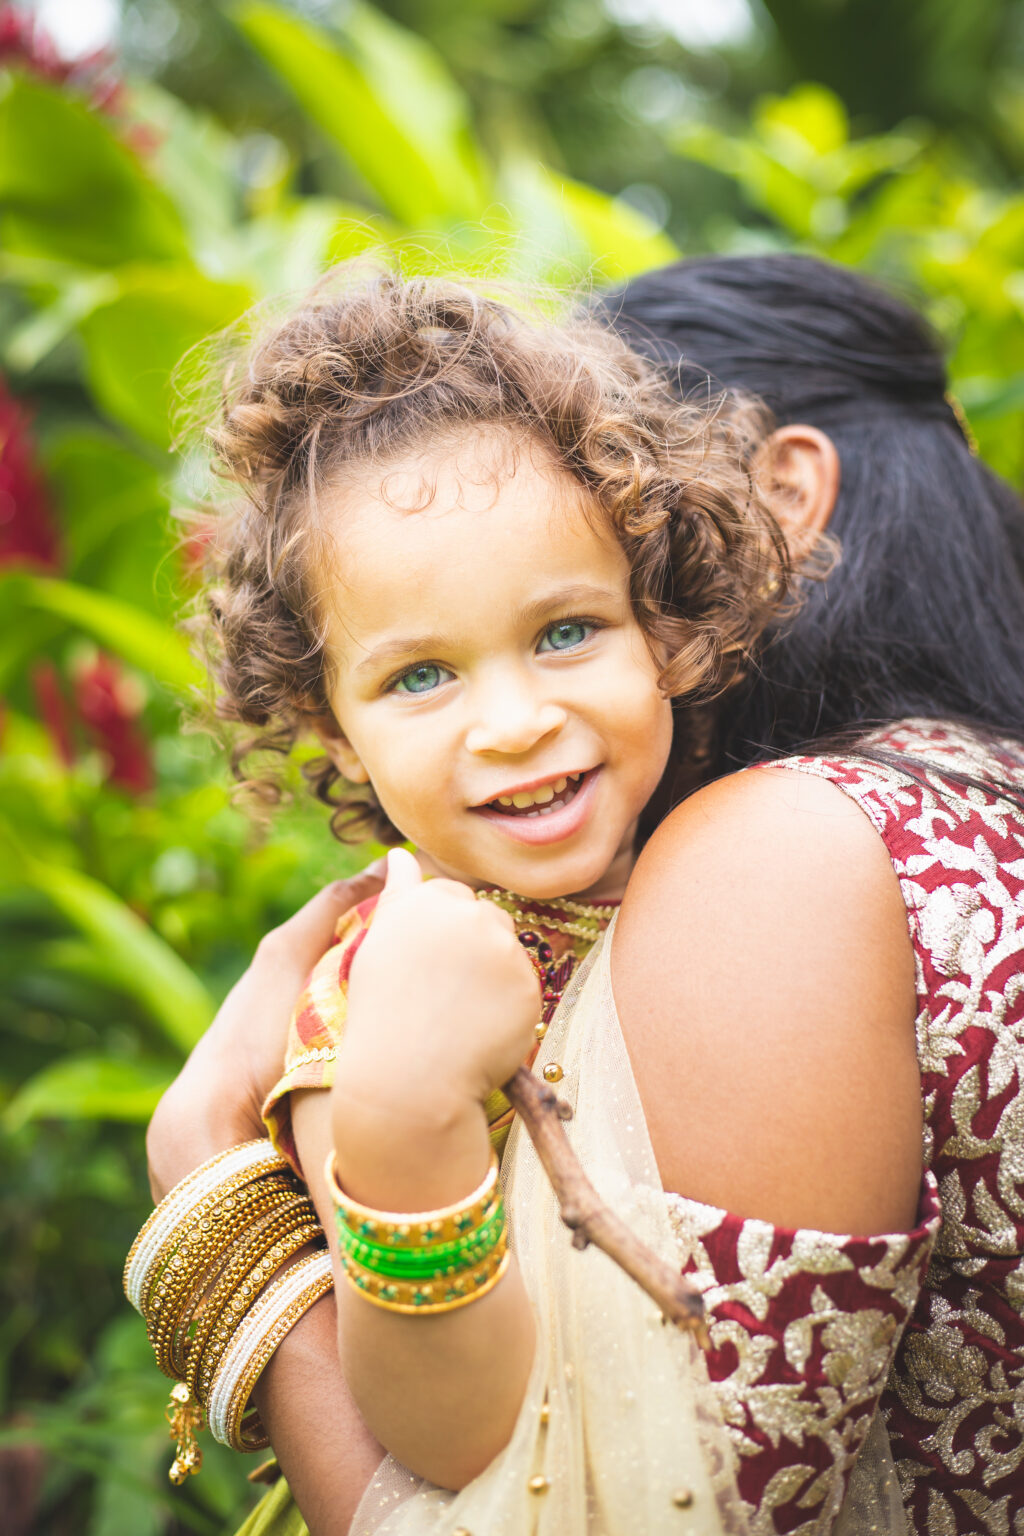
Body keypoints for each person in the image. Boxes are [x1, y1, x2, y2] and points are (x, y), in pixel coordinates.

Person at [144, 255, 1024, 1535]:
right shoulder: (374, 998)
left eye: (565, 632)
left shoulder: (761, 868)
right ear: (328, 732)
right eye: (418, 677)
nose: (511, 722)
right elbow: (455, 1435)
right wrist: (397, 1120)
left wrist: (215, 1223)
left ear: (672, 628)